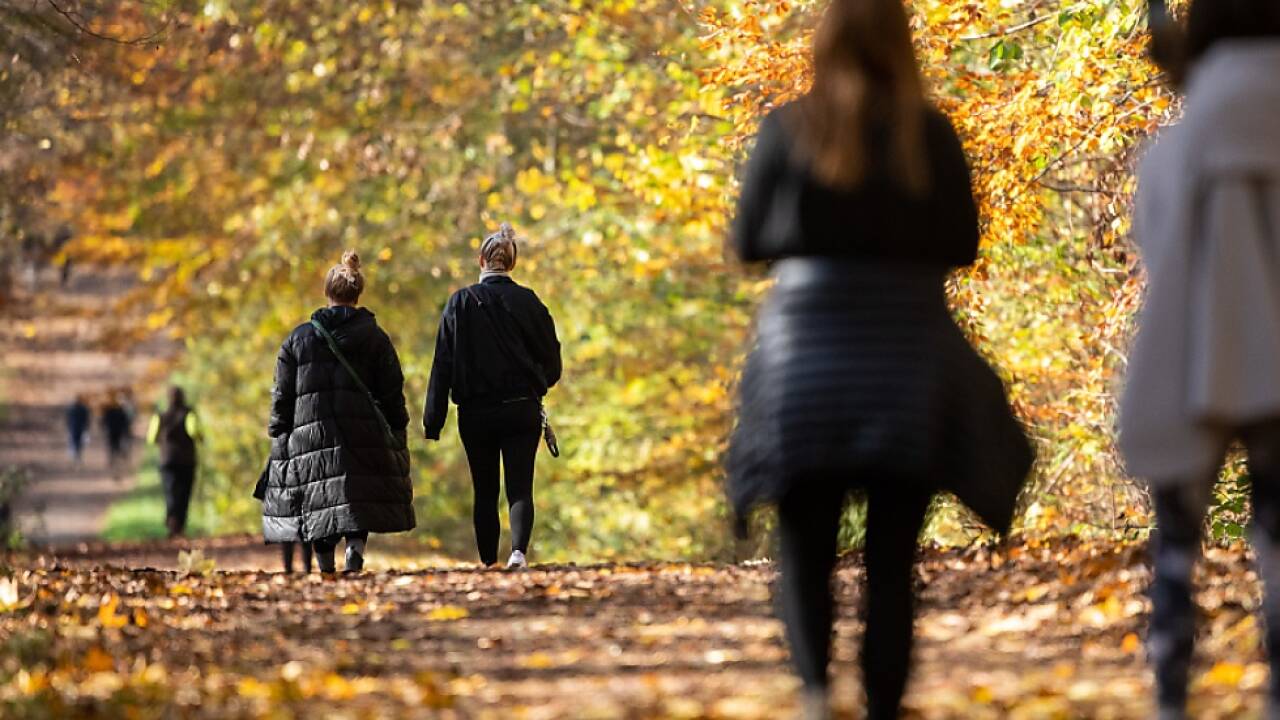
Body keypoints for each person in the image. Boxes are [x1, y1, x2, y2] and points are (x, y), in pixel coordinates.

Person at [724, 1, 1034, 718]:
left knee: (804, 543)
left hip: (806, 360)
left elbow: (746, 245)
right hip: (906, 359)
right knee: (893, 558)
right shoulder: (929, 135)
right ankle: (883, 707)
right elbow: (963, 246)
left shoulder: (787, 128)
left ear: (824, 42)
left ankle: (812, 694)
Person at [1120, 2, 1280, 717]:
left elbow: (1154, 244)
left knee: (1177, 538)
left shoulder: (1177, 145)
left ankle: (1170, 685)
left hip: (1191, 360)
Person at [262, 250, 414, 573]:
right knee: (358, 491)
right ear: (358, 294)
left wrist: (278, 428)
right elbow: (391, 388)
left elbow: (282, 393)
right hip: (364, 432)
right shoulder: (376, 338)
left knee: (319, 495)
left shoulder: (298, 340)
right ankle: (355, 548)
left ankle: (325, 564)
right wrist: (398, 424)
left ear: (327, 293)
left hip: (310, 433)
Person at [423, 223, 561, 570]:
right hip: (521, 409)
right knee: (520, 486)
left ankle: (488, 563)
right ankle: (518, 553)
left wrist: (433, 418)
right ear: (511, 263)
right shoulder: (528, 301)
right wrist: (538, 383)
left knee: (484, 489)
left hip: (476, 412)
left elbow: (443, 361)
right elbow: (552, 358)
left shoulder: (460, 302)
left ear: (481, 259)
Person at [147, 386, 201, 538]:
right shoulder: (189, 413)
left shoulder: (161, 415)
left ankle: (172, 520)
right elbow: (194, 431)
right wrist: (200, 438)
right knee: (184, 493)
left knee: (170, 491)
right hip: (187, 460)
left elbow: (151, 438)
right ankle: (180, 525)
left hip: (167, 460)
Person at [101, 391, 132, 481]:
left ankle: (114, 464)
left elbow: (103, 422)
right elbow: (125, 423)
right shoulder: (119, 411)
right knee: (115, 448)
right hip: (117, 433)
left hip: (112, 433)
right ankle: (115, 464)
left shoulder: (109, 411)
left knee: (113, 448)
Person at [65, 395, 91, 467]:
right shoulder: (73, 409)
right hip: (74, 428)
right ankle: (76, 457)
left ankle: (77, 457)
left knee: (78, 443)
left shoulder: (80, 409)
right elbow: (68, 419)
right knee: (75, 443)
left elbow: (86, 419)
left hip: (78, 428)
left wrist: (86, 428)